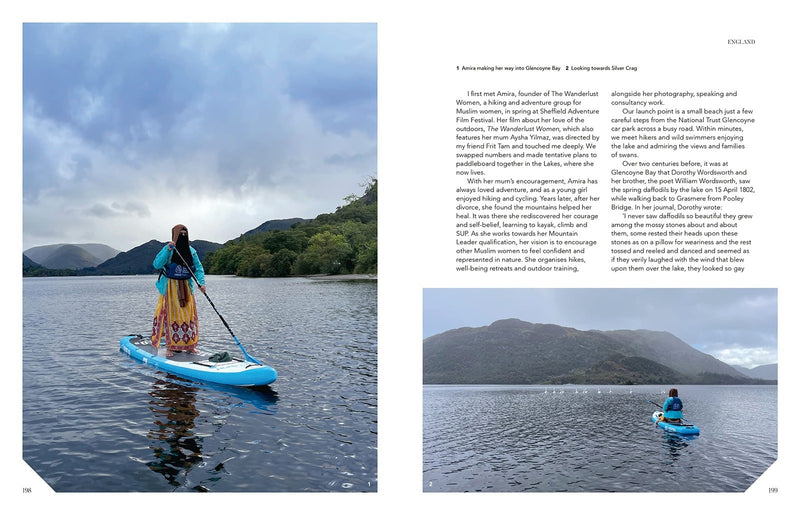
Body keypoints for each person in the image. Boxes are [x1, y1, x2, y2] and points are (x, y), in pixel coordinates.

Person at [151, 224, 207, 357]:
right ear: (175, 235)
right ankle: (170, 347)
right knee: (171, 316)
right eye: (180, 234)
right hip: (170, 287)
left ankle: (190, 346)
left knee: (188, 316)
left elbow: (198, 268)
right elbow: (157, 264)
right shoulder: (168, 249)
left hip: (186, 287)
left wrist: (201, 283)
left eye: (185, 234)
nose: (182, 236)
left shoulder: (191, 251)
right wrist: (168, 250)